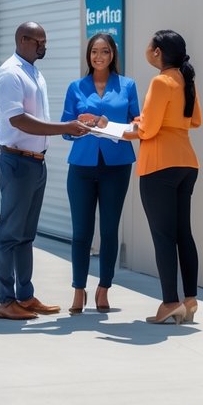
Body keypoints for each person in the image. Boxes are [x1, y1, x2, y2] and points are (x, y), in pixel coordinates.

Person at [0, 22, 92, 320]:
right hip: (17, 162)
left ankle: (25, 296)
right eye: (40, 41)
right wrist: (65, 127)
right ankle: (5, 301)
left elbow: (40, 118)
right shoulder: (10, 74)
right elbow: (19, 121)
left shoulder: (33, 72)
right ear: (23, 40)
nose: (44, 46)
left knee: (25, 235)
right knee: (9, 234)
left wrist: (74, 122)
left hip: (36, 162)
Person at [125, 30, 203, 325]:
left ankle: (170, 302)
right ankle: (190, 300)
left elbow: (148, 131)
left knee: (163, 237)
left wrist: (129, 130)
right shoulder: (185, 80)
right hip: (186, 162)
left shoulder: (161, 81)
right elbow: (194, 121)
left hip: (159, 164)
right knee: (184, 233)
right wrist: (144, 122)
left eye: (149, 45)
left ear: (157, 52)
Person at [60, 32, 141, 314]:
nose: (99, 57)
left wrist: (111, 125)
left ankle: (104, 287)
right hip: (82, 166)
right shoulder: (76, 87)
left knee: (109, 230)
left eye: (104, 51)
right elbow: (65, 131)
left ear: (113, 55)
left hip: (117, 166)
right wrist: (84, 125)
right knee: (81, 232)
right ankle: (78, 289)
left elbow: (137, 125)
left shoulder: (128, 86)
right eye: (94, 51)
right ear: (88, 55)